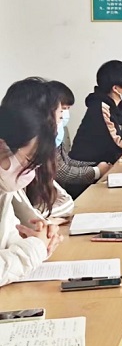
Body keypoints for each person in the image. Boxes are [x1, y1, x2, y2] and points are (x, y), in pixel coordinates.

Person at [0, 105, 62, 287]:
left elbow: (8, 238)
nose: (31, 174)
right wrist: (35, 248)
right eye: (29, 161)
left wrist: (40, 239)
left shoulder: (4, 191)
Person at [47, 81, 109, 199]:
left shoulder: (58, 130)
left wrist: (96, 165)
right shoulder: (45, 135)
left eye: (67, 109)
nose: (64, 114)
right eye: (62, 109)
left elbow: (67, 161)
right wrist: (97, 171)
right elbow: (61, 172)